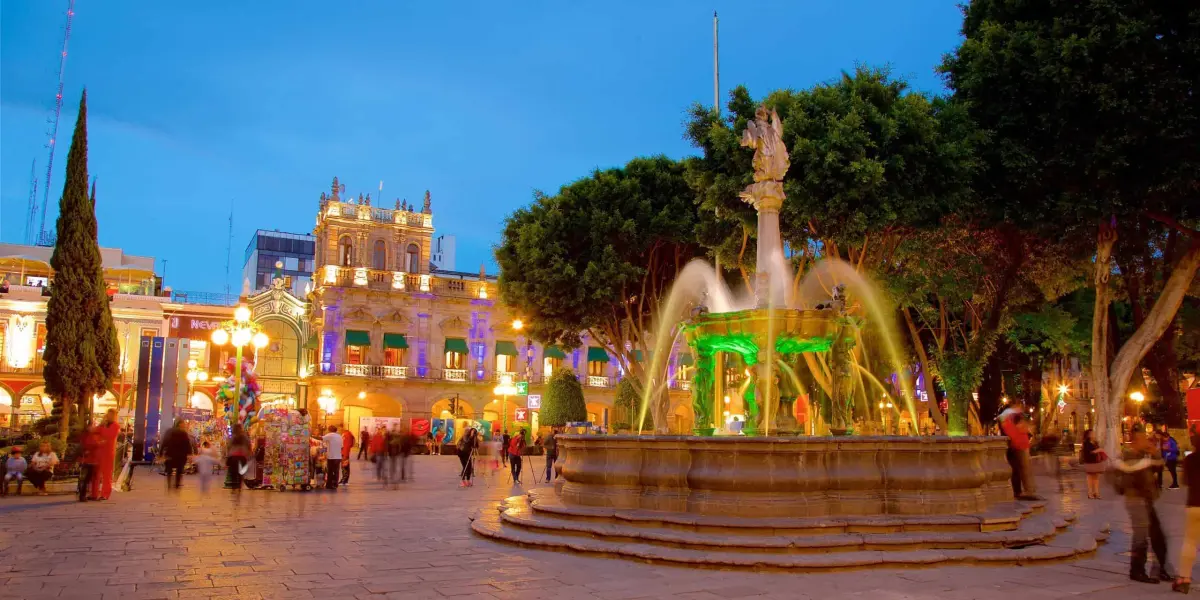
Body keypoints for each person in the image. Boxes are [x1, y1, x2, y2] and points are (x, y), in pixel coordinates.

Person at [1114, 424, 1170, 584]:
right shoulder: (1128, 455)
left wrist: (1155, 454)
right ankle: (1136, 570)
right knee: (1141, 537)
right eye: (1142, 437)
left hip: (1147, 499)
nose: (1145, 440)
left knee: (1158, 536)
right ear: (1135, 439)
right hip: (1136, 500)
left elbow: (1159, 466)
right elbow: (1121, 475)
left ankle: (1161, 569)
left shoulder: (1144, 454)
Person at [1174, 431, 1200, 593]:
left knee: (1190, 542)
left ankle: (1184, 579)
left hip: (1194, 504)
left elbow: (1184, 481)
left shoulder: (1189, 459)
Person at [998, 408, 1039, 500]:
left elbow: (1016, 432)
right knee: (1022, 469)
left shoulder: (1010, 420)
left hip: (1019, 446)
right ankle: (1025, 490)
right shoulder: (1012, 418)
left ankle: (1026, 490)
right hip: (1019, 446)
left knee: (1022, 469)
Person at [92, 408, 121, 500]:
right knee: (96, 474)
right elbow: (94, 431)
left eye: (112, 415)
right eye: (108, 414)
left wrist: (102, 429)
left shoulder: (115, 425)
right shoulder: (103, 424)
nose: (109, 416)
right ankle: (94, 494)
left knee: (106, 474)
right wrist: (101, 426)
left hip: (108, 453)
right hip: (99, 452)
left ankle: (105, 494)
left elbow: (109, 435)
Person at [161, 420, 192, 491]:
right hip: (180, 456)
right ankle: (177, 486)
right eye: (183, 423)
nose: (184, 425)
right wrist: (189, 454)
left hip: (170, 454)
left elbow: (164, 442)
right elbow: (187, 444)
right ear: (180, 424)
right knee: (179, 470)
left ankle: (169, 485)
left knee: (169, 470)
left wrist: (161, 453)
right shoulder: (183, 433)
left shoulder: (169, 431)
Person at [1079, 429, 1107, 500]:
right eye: (1092, 433)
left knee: (1096, 478)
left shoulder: (1095, 442)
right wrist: (1098, 450)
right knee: (1090, 478)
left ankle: (1096, 493)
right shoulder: (1086, 443)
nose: (1093, 434)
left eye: (1093, 433)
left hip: (1096, 462)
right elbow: (1088, 452)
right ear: (1088, 435)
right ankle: (1090, 493)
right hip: (1089, 462)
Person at [78, 425, 100, 501]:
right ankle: (82, 495)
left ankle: (82, 494)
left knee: (84, 478)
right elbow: (93, 444)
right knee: (86, 478)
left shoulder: (84, 436)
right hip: (89, 460)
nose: (93, 428)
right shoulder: (88, 436)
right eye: (92, 426)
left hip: (87, 460)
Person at [227, 425, 251, 491]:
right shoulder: (244, 437)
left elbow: (229, 446)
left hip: (233, 457)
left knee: (233, 472)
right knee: (241, 472)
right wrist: (249, 453)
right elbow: (248, 445)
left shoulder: (233, 437)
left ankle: (234, 487)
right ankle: (239, 486)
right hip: (242, 456)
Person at [322, 425, 343, 490]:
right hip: (338, 456)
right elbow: (342, 446)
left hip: (331, 456)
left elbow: (321, 438)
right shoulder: (339, 436)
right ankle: (335, 484)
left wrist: (311, 437)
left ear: (329, 430)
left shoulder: (330, 435)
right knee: (336, 471)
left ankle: (329, 485)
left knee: (330, 471)